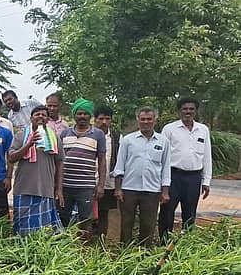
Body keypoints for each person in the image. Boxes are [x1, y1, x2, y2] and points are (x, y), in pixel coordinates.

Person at [114, 107, 171, 248]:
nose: (146, 122)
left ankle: (144, 255)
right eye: (143, 119)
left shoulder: (163, 142)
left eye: (149, 119)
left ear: (155, 120)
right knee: (126, 223)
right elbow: (119, 166)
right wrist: (118, 189)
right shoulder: (128, 140)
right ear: (138, 120)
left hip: (152, 190)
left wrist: (165, 192)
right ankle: (124, 254)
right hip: (129, 189)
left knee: (148, 224)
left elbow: (165, 168)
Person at [158, 97, 212, 238]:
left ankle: (185, 243)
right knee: (167, 212)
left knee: (189, 213)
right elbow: (161, 157)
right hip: (173, 176)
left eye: (191, 109)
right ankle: (164, 244)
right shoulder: (169, 129)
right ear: (179, 111)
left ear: (196, 111)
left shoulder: (203, 130)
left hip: (194, 178)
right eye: (185, 109)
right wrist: (162, 182)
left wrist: (206, 181)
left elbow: (207, 156)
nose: (188, 112)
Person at [8, 105, 65, 236]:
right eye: (37, 114)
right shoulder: (21, 135)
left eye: (44, 115)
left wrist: (59, 189)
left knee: (43, 231)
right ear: (31, 118)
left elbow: (60, 162)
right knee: (22, 229)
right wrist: (29, 144)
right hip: (24, 189)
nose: (40, 117)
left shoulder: (54, 137)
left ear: (47, 119)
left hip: (45, 189)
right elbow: (11, 158)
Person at [58, 98, 108, 240]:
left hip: (86, 186)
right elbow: (59, 161)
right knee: (63, 218)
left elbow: (102, 161)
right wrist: (58, 187)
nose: (82, 116)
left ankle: (84, 248)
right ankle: (64, 248)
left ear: (90, 116)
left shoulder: (98, 134)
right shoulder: (65, 134)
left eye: (85, 113)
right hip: (65, 185)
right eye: (79, 113)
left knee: (86, 220)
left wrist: (101, 185)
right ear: (74, 115)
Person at [93, 106, 122, 241]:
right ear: (95, 119)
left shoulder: (116, 137)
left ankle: (101, 241)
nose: (104, 122)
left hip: (108, 182)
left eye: (107, 119)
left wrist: (118, 186)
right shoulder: (89, 134)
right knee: (88, 213)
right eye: (101, 118)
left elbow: (121, 160)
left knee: (104, 213)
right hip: (89, 180)